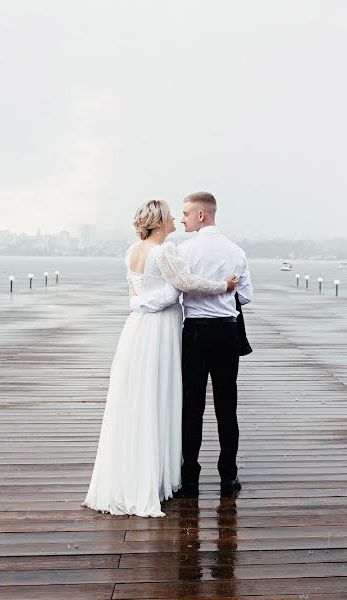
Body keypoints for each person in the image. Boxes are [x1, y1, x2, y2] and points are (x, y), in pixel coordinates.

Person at [82, 200, 237, 518]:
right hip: (160, 329)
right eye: (169, 216)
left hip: (137, 328)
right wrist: (224, 285)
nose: (175, 220)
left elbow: (135, 293)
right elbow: (185, 285)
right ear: (158, 222)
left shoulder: (132, 250)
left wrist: (138, 304)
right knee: (157, 396)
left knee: (137, 397)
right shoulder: (163, 251)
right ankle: (156, 477)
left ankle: (134, 473)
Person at [131, 191, 253, 498]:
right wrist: (224, 292)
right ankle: (228, 475)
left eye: (185, 213)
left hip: (195, 333)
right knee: (227, 406)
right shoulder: (236, 251)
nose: (181, 218)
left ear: (202, 215)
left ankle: (190, 475)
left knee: (192, 406)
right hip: (226, 332)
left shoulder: (183, 250)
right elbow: (246, 295)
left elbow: (180, 288)